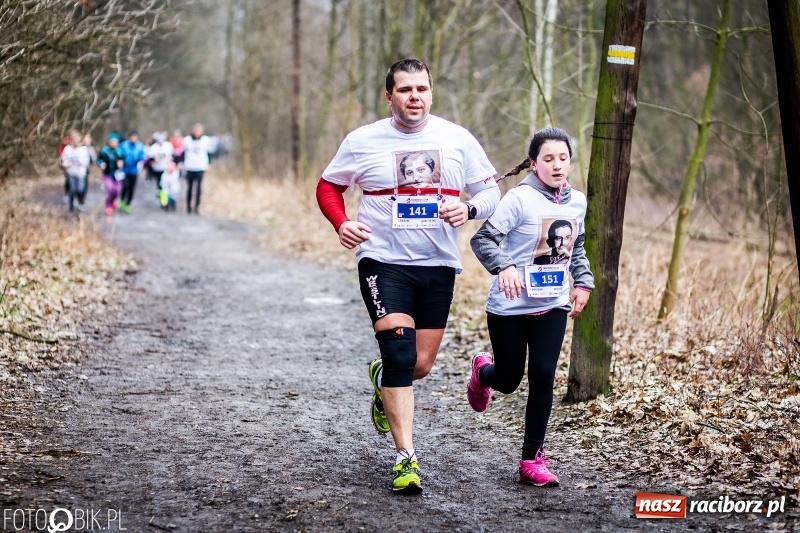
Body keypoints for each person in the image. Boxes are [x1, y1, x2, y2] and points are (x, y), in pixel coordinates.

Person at [315, 58, 500, 495]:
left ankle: (383, 377)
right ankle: (405, 459)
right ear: (389, 96)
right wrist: (341, 222)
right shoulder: (362, 141)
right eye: (405, 90)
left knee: (418, 365)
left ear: (431, 93)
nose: (414, 97)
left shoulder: (457, 139)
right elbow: (328, 186)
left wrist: (469, 209)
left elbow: (491, 191)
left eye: (422, 89)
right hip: (383, 261)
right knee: (401, 355)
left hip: (437, 265)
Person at [466, 126, 594, 487]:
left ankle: (530, 459)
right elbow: (484, 239)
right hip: (509, 306)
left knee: (542, 375)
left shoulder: (577, 202)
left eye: (563, 158)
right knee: (509, 380)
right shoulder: (518, 200)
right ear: (534, 164)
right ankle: (483, 373)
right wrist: (504, 266)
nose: (557, 165)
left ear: (570, 161)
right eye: (548, 159)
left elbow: (577, 248)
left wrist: (583, 282)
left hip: (552, 303)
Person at [182, 123, 211, 214]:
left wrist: (209, 163)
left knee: (198, 187)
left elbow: (209, 152)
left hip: (200, 166)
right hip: (190, 166)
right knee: (189, 187)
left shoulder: (206, 140)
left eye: (199, 131)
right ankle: (188, 206)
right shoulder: (187, 140)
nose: (198, 133)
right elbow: (182, 152)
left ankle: (197, 207)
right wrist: (180, 162)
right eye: (196, 131)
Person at [60, 130, 91, 212]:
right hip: (71, 173)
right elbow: (63, 160)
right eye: (74, 139)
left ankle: (80, 202)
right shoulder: (68, 149)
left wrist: (82, 162)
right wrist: (67, 163)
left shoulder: (84, 149)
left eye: (77, 139)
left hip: (81, 173)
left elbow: (87, 161)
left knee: (80, 189)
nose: (76, 141)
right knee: (72, 189)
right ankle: (71, 207)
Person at [97, 133, 125, 216]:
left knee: (117, 191)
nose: (113, 143)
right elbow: (99, 159)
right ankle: (108, 206)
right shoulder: (105, 151)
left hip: (117, 175)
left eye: (115, 141)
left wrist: (122, 163)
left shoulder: (120, 151)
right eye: (112, 141)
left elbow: (124, 160)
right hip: (107, 174)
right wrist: (101, 163)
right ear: (109, 142)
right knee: (109, 190)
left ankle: (113, 201)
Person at [119, 130, 146, 213]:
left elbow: (143, 157)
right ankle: (122, 202)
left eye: (135, 137)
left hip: (134, 171)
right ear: (130, 137)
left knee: (131, 188)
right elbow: (119, 154)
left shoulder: (140, 146)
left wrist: (139, 159)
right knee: (125, 187)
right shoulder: (124, 145)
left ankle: (128, 204)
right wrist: (121, 159)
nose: (134, 138)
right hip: (125, 170)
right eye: (132, 137)